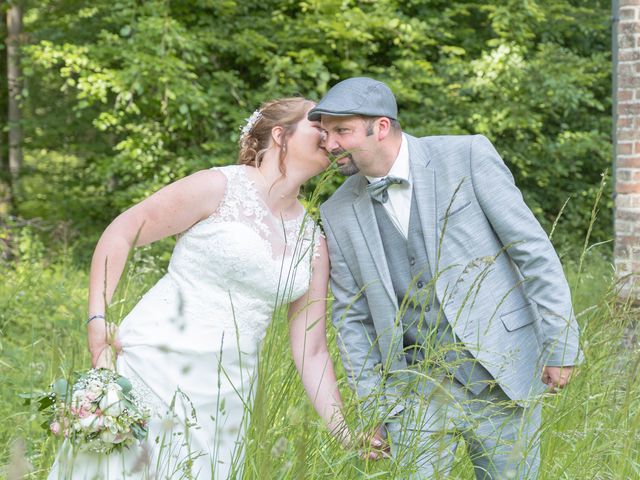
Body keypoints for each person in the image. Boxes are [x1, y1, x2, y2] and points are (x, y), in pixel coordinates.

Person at [48, 97, 347, 479]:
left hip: (228, 392)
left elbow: (313, 348)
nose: (328, 134)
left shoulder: (312, 240)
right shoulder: (218, 187)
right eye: (317, 124)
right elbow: (121, 232)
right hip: (153, 364)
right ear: (280, 135)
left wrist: (344, 431)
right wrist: (96, 318)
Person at [311, 77, 583, 479]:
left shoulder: (466, 156)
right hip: (413, 390)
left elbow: (532, 250)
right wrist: (374, 407)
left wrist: (562, 344)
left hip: (501, 372)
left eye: (342, 131)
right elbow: (352, 319)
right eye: (326, 132)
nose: (329, 144)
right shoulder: (337, 211)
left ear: (381, 127)